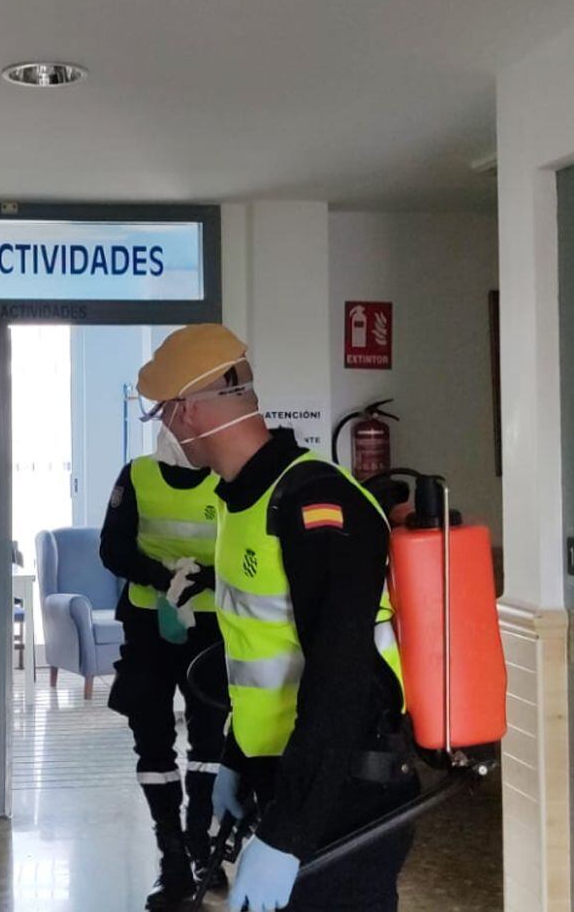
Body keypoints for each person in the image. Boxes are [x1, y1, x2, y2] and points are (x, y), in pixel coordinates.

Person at [137, 324, 414, 912]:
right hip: (290, 778)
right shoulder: (242, 502)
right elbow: (264, 655)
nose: (165, 430)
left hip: (346, 791)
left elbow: (342, 686)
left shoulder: (317, 507)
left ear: (188, 411)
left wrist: (288, 835)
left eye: (162, 414)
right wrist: (240, 758)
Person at [100, 440, 230, 910]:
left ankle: (201, 843)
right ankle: (171, 857)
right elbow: (112, 548)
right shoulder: (137, 475)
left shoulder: (227, 475)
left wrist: (206, 577)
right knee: (152, 742)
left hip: (210, 628)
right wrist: (160, 576)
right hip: (147, 625)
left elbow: (247, 550)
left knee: (209, 741)